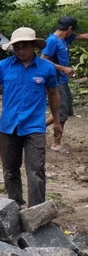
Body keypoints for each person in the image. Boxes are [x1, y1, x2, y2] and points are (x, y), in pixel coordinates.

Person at [0, 27, 61, 207]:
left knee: (36, 170)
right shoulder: (3, 66)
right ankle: (14, 207)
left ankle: (37, 211)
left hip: (34, 127)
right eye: (17, 48)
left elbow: (53, 94)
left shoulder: (46, 68)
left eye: (25, 47)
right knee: (10, 170)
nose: (21, 51)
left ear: (33, 47)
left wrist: (57, 121)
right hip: (8, 126)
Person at [41, 15, 88, 153]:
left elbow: (84, 36)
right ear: (69, 28)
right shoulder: (52, 41)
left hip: (63, 80)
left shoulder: (65, 38)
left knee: (65, 112)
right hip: (55, 81)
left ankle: (35, 129)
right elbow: (43, 60)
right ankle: (56, 143)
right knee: (61, 113)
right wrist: (63, 69)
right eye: (73, 30)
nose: (73, 33)